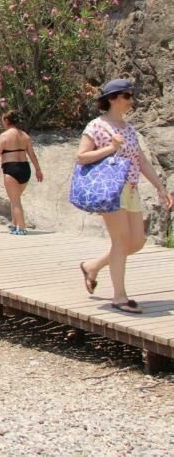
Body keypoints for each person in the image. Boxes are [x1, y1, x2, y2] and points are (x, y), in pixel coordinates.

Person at [76, 80, 173, 314]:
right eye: (127, 96)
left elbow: (140, 160)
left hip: (131, 189)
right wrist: (110, 148)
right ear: (112, 98)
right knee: (120, 241)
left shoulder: (128, 129)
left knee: (136, 242)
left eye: (131, 96)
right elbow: (82, 157)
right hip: (111, 190)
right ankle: (119, 297)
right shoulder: (96, 126)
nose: (131, 100)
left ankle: (92, 266)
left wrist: (161, 188)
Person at [0, 110, 44, 235]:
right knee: (15, 198)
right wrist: (38, 169)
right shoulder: (25, 136)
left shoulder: (4, 136)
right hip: (25, 169)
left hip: (11, 168)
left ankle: (21, 227)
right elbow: (32, 154)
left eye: (2, 120)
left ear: (6, 121)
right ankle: (14, 224)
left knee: (15, 200)